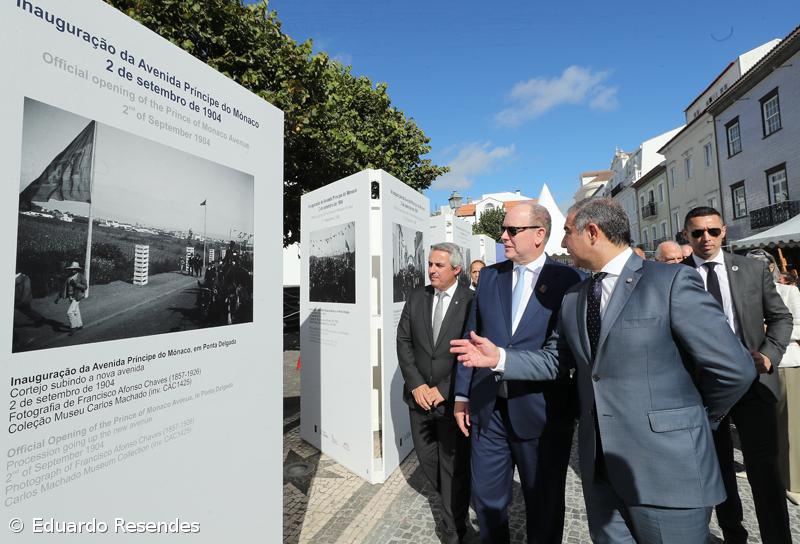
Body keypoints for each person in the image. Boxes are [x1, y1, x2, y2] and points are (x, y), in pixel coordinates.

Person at [452, 197, 756, 543]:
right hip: (600, 472)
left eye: (567, 232)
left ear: (592, 232)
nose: (563, 241)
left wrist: (694, 418)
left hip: (666, 471)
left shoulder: (670, 282)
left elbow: (734, 369)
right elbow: (556, 359)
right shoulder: (575, 295)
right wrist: (500, 360)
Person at [453, 202, 583, 544]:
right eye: (504, 230)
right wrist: (462, 396)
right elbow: (472, 339)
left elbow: (563, 357)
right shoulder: (491, 277)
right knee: (487, 503)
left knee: (544, 504)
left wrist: (502, 359)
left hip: (540, 413)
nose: (503, 236)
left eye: (512, 230)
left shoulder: (569, 281)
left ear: (539, 234)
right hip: (487, 411)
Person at [681, 207, 792, 544]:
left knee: (765, 471)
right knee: (719, 472)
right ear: (686, 234)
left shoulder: (751, 268)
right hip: (703, 390)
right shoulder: (672, 275)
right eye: (697, 232)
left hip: (754, 385)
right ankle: (733, 536)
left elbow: (781, 317)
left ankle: (778, 538)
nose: (706, 239)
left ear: (724, 231)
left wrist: (770, 356)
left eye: (712, 231)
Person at [397, 242, 473, 543]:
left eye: (439, 265)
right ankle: (454, 503)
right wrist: (417, 385)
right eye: (430, 263)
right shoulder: (417, 297)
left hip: (451, 401)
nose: (431, 270)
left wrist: (443, 390)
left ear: (456, 269)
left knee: (453, 466)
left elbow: (471, 352)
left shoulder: (471, 301)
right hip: (418, 401)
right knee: (430, 464)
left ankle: (454, 530)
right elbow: (403, 342)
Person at [745, 250, 800, 506]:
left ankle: (794, 482)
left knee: (790, 425)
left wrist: (772, 333)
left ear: (770, 268)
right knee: (766, 427)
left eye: (761, 266)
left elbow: (797, 324)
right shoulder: (745, 293)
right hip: (753, 368)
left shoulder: (789, 292)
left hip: (786, 362)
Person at [54, 261, 87, 335]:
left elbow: (85, 287)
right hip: (71, 296)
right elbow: (63, 288)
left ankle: (73, 327)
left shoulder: (80, 276)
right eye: (72, 269)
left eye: (75, 269)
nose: (73, 270)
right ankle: (79, 325)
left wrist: (76, 284)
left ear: (77, 269)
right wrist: (58, 298)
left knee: (70, 312)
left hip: (77, 296)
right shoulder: (68, 277)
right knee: (76, 311)